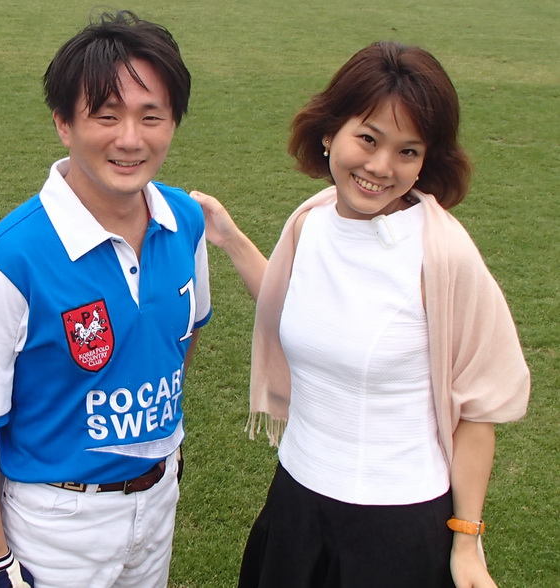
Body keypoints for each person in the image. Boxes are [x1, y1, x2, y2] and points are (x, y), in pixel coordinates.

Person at [191, 41, 530, 588]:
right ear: (329, 132)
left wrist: (467, 541)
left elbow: (480, 408)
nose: (380, 167)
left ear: (427, 161)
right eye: (368, 139)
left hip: (396, 526)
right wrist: (229, 239)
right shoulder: (312, 220)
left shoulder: (443, 254)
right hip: (297, 501)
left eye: (407, 151)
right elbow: (291, 307)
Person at [0, 10, 211, 588]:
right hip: (56, 524)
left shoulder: (185, 220)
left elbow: (185, 336)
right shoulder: (6, 259)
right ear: (64, 123)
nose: (130, 139)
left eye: (151, 117)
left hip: (158, 500)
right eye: (106, 116)